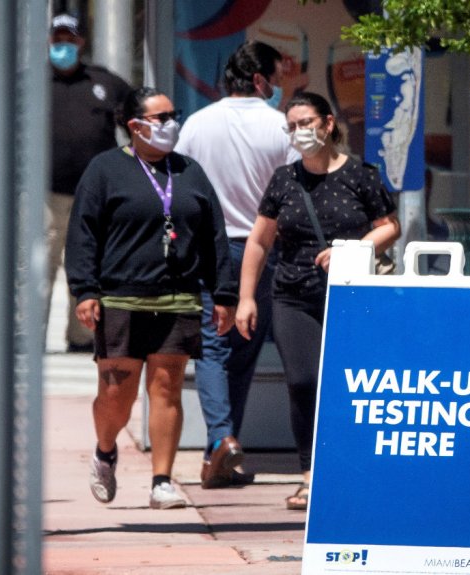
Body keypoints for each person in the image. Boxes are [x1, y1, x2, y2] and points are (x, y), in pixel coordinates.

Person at [65, 87, 237, 509]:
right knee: (116, 393)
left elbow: (214, 234)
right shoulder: (105, 170)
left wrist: (224, 293)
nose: (170, 124)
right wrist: (85, 290)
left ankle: (162, 480)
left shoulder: (190, 172)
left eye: (172, 115)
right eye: (160, 118)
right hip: (121, 297)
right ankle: (106, 450)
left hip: (178, 297)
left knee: (167, 387)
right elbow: (83, 233)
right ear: (134, 126)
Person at [235, 92, 400, 510]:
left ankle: (353, 469)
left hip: (353, 296)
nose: (299, 132)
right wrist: (245, 298)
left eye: (306, 123)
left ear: (328, 124)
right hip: (294, 295)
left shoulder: (361, 175)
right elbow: (259, 240)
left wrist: (354, 249)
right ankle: (308, 475)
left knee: (352, 386)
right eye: (291, 126)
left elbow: (390, 227)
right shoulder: (284, 180)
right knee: (304, 383)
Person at [176, 40, 300, 489]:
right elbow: (292, 195)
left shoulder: (196, 124)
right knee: (244, 348)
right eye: (276, 80)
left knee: (213, 345)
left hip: (207, 248)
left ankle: (221, 442)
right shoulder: (280, 128)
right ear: (260, 80)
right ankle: (224, 441)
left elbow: (179, 186)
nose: (280, 89)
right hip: (262, 249)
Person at [47, 13, 133, 353]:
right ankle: (27, 341)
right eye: (58, 39)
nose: (63, 45)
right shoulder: (31, 82)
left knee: (86, 267)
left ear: (81, 42)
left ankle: (81, 337)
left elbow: (134, 124)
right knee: (38, 271)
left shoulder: (106, 83)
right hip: (45, 196)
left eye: (70, 39)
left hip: (95, 197)